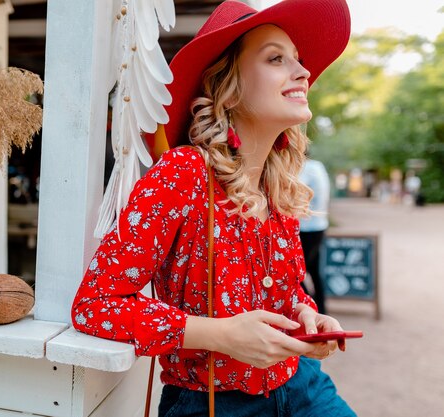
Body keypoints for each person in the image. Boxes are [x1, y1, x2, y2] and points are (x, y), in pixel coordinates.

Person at [72, 1, 356, 416]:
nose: (303, 72)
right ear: (230, 84)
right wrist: (218, 335)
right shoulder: (182, 173)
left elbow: (284, 290)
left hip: (302, 385)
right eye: (277, 58)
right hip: (213, 401)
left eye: (298, 60)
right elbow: (95, 305)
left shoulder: (278, 187)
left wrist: (306, 317)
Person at [299, 158, 331, 314]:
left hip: (305, 227)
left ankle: (311, 307)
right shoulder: (318, 166)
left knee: (297, 274)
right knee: (315, 271)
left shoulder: (304, 169)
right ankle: (322, 310)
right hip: (319, 225)